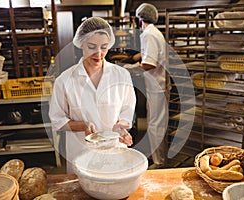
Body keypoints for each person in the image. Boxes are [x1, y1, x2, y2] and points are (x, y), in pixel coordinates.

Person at [49, 17, 137, 173]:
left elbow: (127, 109)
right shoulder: (65, 80)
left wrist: (121, 127)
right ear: (81, 44)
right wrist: (82, 126)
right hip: (81, 153)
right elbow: (57, 120)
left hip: (114, 151)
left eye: (104, 47)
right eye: (92, 47)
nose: (99, 53)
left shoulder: (121, 75)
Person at [125, 3, 169, 169]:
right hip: (157, 85)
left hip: (157, 86)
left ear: (140, 18)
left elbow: (149, 64)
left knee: (155, 126)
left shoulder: (149, 35)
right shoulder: (152, 33)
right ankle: (159, 158)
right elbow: (145, 54)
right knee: (155, 124)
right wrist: (131, 58)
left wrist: (130, 69)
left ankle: (160, 163)